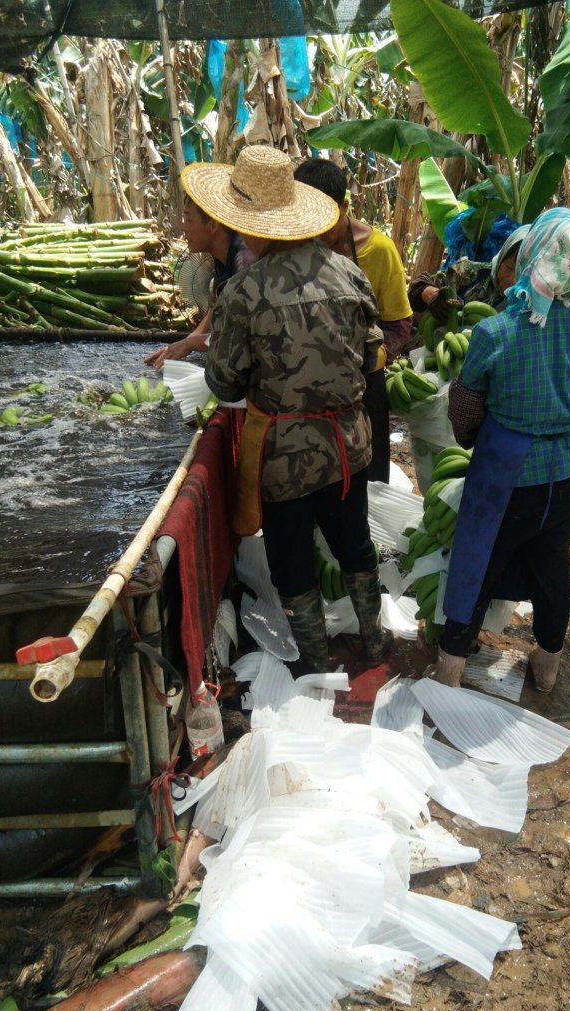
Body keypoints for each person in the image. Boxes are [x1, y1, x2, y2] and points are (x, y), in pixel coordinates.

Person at [182, 145, 390, 674]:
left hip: (285, 457)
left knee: (293, 564)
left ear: (247, 224)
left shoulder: (244, 292)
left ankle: (317, 667)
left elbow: (225, 384)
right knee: (355, 545)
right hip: (349, 445)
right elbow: (371, 357)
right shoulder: (349, 274)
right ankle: (375, 643)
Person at [426, 208, 570, 692]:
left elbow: (464, 408)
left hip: (505, 470)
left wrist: (476, 441)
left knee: (478, 563)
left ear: (528, 254)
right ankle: (547, 668)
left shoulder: (495, 331)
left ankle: (449, 669)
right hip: (563, 473)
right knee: (553, 569)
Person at [294, 158, 413, 483]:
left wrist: (370, 359)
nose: (315, 232)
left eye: (324, 220)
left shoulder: (379, 251)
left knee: (369, 481)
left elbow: (399, 324)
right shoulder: (292, 250)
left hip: (364, 385)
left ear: (344, 206)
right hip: (307, 386)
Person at [144, 193, 254, 370]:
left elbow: (236, 339)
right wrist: (184, 344)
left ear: (212, 225)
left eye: (188, 218)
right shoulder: (222, 255)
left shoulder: (244, 262)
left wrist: (190, 345)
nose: (182, 226)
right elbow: (217, 307)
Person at [408, 224, 531, 321]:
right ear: (501, 258)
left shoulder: (534, 304)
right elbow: (416, 289)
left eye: (523, 275)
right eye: (510, 268)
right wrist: (430, 294)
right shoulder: (470, 272)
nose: (513, 281)